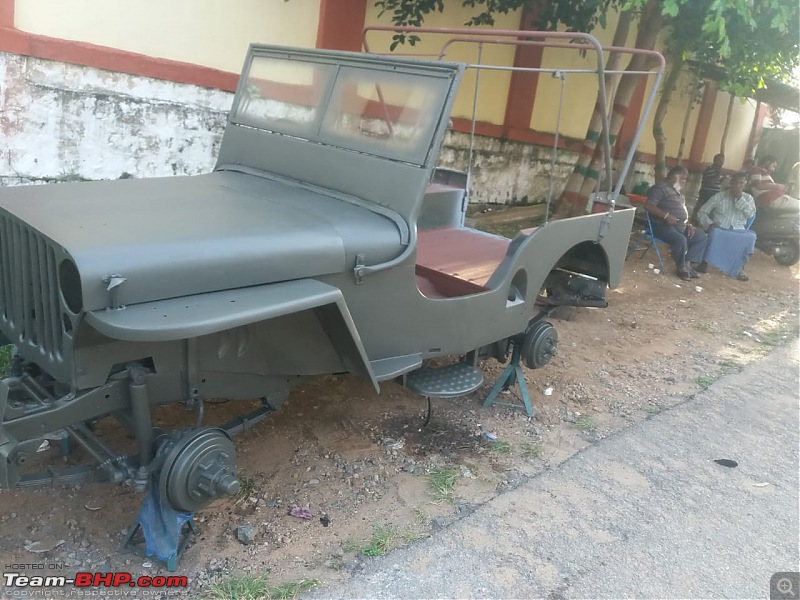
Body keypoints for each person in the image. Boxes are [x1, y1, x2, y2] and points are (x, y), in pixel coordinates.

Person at [645, 165, 708, 281]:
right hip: (660, 225)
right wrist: (666, 215)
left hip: (679, 226)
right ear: (674, 177)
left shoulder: (677, 192)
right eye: (683, 178)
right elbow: (649, 206)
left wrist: (688, 224)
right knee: (680, 239)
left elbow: (682, 212)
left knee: (701, 236)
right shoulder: (660, 188)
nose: (685, 182)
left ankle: (687, 264)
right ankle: (681, 268)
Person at [696, 172, 757, 281]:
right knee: (714, 232)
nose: (738, 186)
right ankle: (704, 263)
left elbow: (750, 215)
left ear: (745, 184)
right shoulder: (719, 197)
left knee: (751, 237)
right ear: (731, 183)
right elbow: (702, 212)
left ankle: (736, 270)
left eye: (741, 183)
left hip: (738, 231)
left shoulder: (748, 199)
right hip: (721, 229)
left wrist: (740, 198)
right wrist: (709, 223)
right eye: (735, 183)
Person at [691, 154, 725, 221]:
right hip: (707, 192)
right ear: (715, 160)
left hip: (713, 192)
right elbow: (711, 181)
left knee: (708, 208)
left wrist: (723, 179)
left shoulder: (717, 170)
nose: (721, 162)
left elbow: (716, 182)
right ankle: (695, 220)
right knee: (702, 206)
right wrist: (718, 174)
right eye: (719, 160)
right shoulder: (711, 169)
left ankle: (701, 220)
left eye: (723, 160)